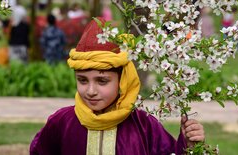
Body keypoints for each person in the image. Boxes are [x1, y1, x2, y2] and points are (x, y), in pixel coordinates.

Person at [30, 18, 205, 155]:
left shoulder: (144, 126)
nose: (90, 91)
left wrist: (188, 147)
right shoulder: (61, 122)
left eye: (102, 81)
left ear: (123, 80)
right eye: (83, 80)